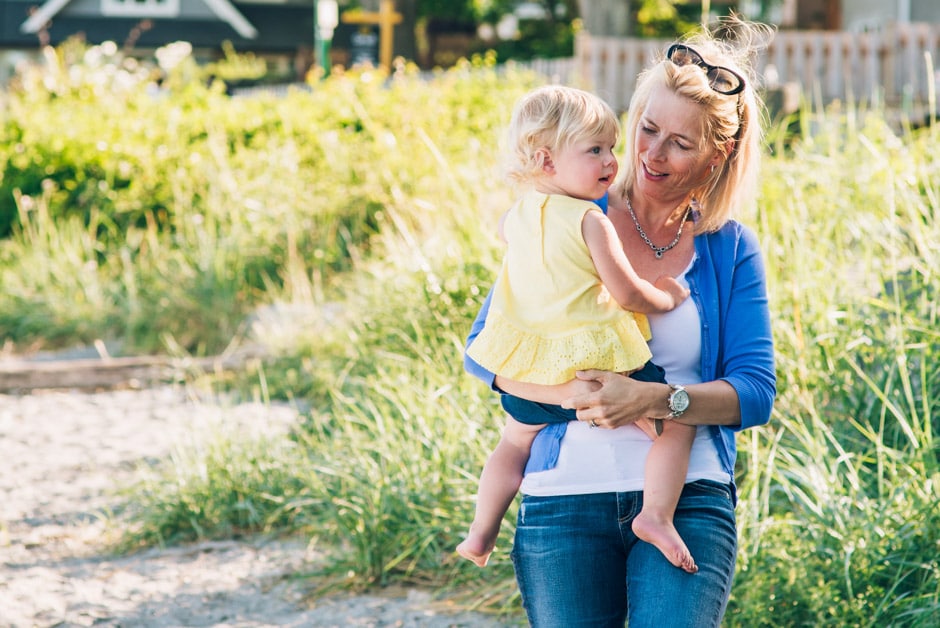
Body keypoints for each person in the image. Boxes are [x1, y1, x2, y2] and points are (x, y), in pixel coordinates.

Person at [463, 18, 776, 627]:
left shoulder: (730, 249)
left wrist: (656, 398)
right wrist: (583, 398)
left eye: (681, 144)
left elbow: (756, 394)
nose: (652, 155)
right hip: (561, 501)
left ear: (721, 152)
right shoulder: (568, 213)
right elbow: (487, 351)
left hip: (689, 499)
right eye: (646, 130)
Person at [456, 85, 693, 572]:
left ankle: (481, 531)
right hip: (598, 367)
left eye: (610, 148)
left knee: (514, 441)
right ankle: (656, 517)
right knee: (677, 425)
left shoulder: (512, 219)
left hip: (533, 372)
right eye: (595, 150)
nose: (611, 161)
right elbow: (627, 294)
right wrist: (668, 294)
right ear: (546, 161)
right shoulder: (591, 220)